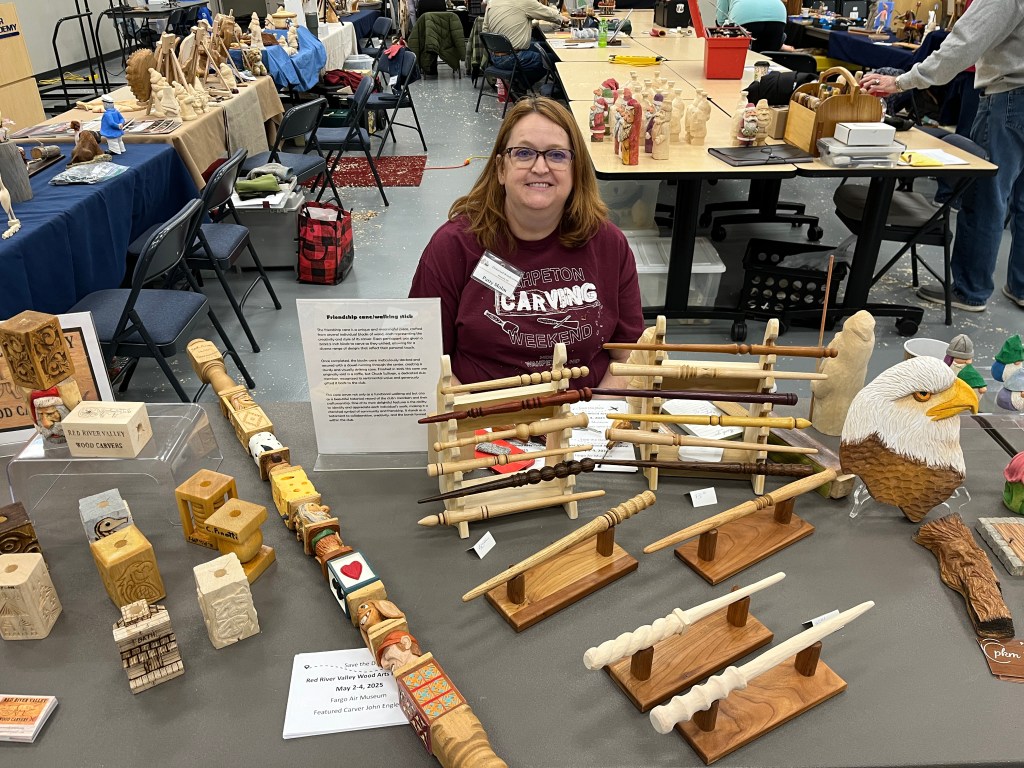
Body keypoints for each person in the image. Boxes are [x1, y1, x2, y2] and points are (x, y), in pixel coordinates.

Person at [409, 96, 644, 391]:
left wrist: (593, 413)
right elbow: (424, 357)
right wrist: (476, 416)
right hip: (482, 413)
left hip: (585, 412)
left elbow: (628, 356)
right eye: (523, 153)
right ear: (500, 169)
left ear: (576, 170)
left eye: (556, 155)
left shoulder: (608, 244)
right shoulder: (453, 246)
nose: (540, 167)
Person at [862, 0, 1024, 313]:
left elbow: (965, 43)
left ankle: (970, 290)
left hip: (1009, 97)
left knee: (984, 194)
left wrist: (903, 82)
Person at [482, 0, 567, 86]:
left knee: (547, 47)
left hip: (494, 58)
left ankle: (519, 81)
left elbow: (485, 29)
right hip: (512, 58)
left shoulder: (492, 2)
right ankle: (521, 83)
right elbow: (546, 12)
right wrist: (562, 18)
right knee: (555, 58)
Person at [715, 0, 787, 52]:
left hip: (744, 14)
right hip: (778, 14)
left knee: (743, 58)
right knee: (770, 60)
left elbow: (721, 20)